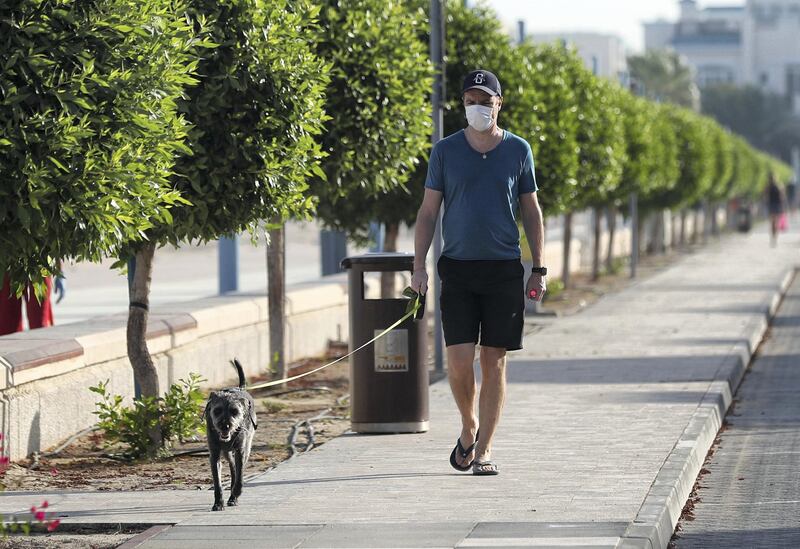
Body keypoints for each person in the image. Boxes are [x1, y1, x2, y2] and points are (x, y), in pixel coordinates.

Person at [410, 69, 546, 476]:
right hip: (458, 270)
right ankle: (468, 425)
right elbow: (428, 211)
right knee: (457, 360)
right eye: (471, 100)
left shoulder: (519, 151)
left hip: (504, 269)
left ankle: (483, 448)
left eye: (485, 101)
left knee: (494, 360)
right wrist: (418, 267)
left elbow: (532, 211)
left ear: (499, 104)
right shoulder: (445, 151)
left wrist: (538, 267)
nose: (477, 107)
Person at [0, 274, 64, 336]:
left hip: (38, 270)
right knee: (7, 327)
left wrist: (60, 270)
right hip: (7, 269)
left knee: (40, 326)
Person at [766, 173, 787, 247]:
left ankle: (773, 238)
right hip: (777, 206)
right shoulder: (780, 186)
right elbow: (782, 197)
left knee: (772, 223)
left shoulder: (768, 186)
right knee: (775, 223)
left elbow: (766, 197)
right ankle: (774, 238)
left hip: (772, 206)